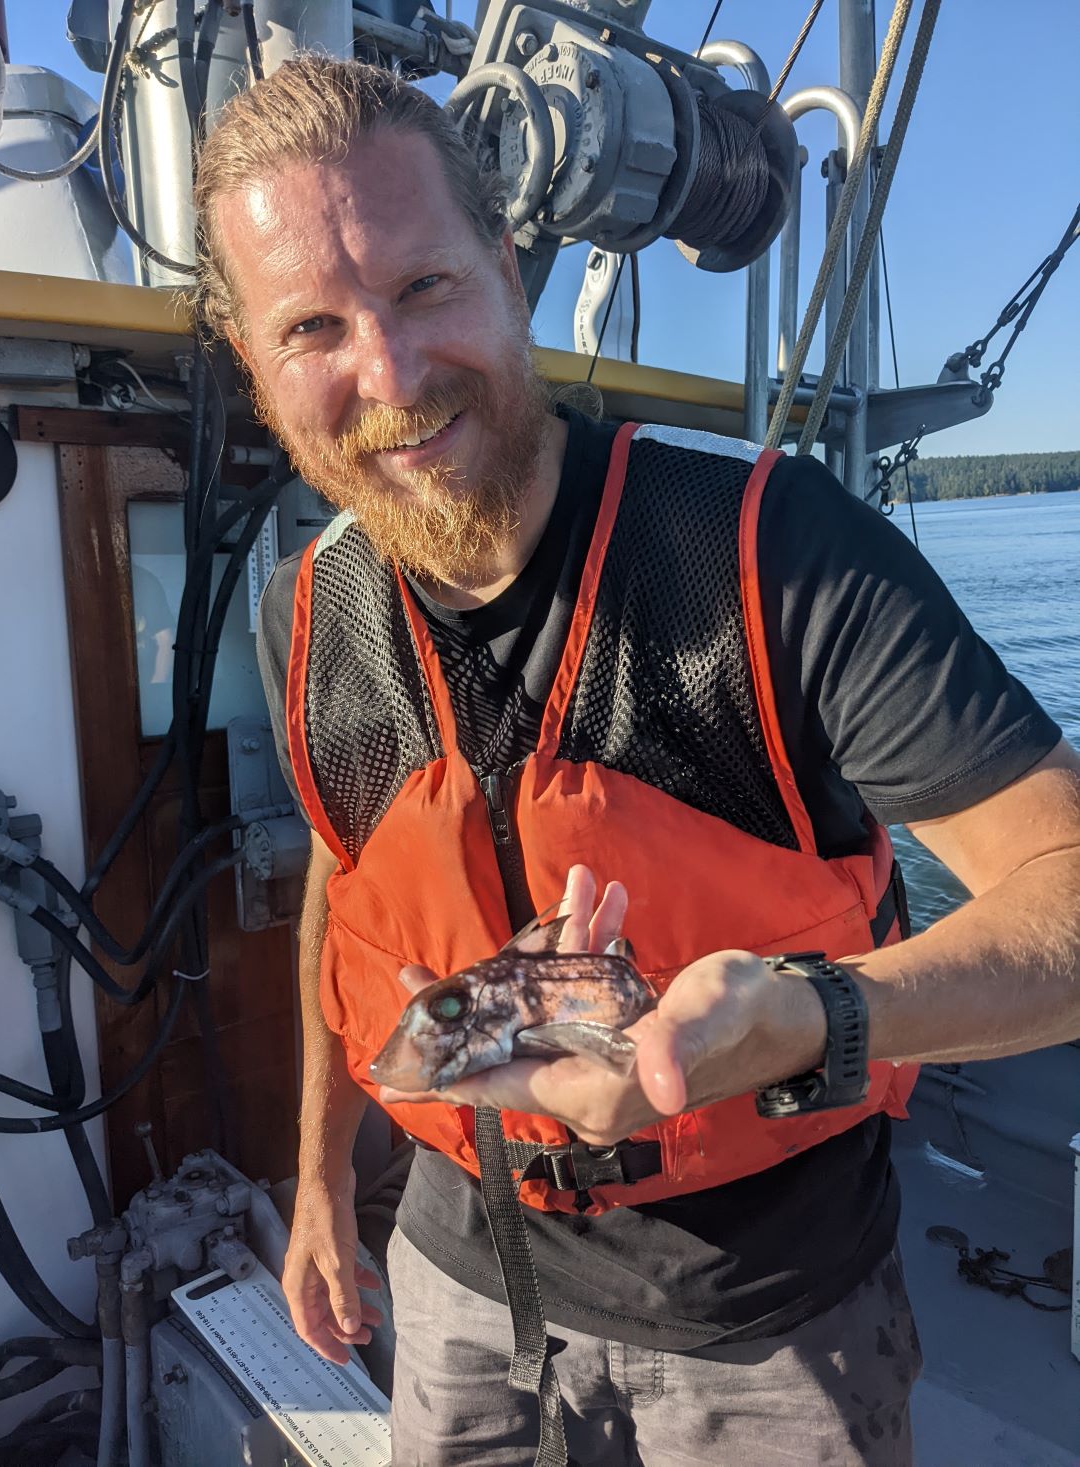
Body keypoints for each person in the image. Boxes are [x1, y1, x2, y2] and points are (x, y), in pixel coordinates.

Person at [193, 55, 1080, 1467]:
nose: (393, 375)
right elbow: (343, 896)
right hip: (455, 1275)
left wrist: (806, 1019)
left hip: (763, 1326)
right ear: (253, 360)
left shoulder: (772, 551)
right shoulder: (311, 608)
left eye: (426, 287)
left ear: (509, 268)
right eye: (314, 325)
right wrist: (311, 1179)